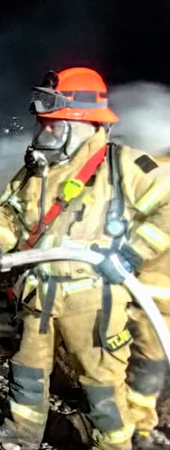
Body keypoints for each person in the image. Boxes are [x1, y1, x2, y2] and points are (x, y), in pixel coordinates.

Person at [0, 67, 170, 450]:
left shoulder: (125, 166)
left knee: (101, 383)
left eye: (53, 125)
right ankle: (22, 432)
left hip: (94, 299)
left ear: (81, 124)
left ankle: (113, 444)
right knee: (27, 368)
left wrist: (133, 252)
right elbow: (8, 214)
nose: (44, 132)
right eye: (43, 125)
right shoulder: (37, 170)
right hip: (38, 295)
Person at [126, 151, 170, 449]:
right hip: (155, 295)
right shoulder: (154, 169)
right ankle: (139, 429)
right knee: (150, 365)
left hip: (156, 292)